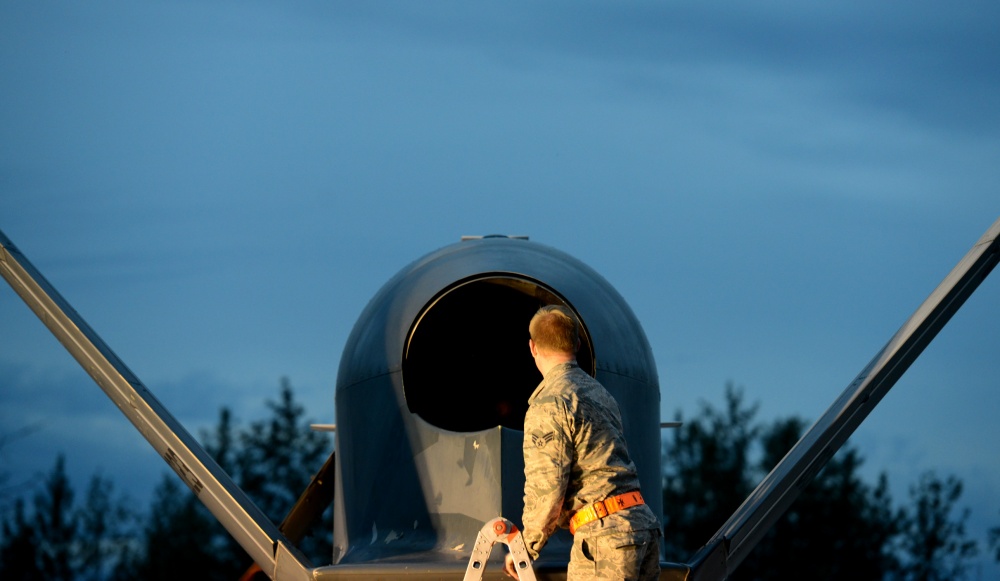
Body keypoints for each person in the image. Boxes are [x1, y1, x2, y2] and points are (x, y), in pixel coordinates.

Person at [504, 305, 661, 580]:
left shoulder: (550, 403)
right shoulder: (602, 395)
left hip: (606, 538)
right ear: (576, 344)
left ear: (532, 347)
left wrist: (526, 547)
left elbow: (548, 486)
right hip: (642, 528)